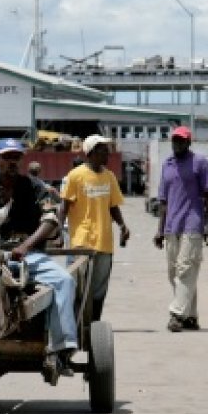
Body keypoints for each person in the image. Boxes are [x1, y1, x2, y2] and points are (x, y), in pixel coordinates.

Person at [0, 138, 78, 381]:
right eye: (6, 157)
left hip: (29, 256)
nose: (12, 162)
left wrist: (26, 246)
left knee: (64, 280)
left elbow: (51, 221)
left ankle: (61, 349)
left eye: (16, 157)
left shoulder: (36, 187)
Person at [57, 134, 130, 321]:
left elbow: (113, 206)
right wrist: (58, 230)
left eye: (107, 151)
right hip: (81, 242)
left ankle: (93, 324)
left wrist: (122, 226)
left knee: (99, 289)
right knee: (77, 286)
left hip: (104, 242)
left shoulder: (109, 176)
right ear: (90, 153)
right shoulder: (76, 176)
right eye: (103, 151)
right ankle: (72, 324)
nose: (107, 155)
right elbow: (64, 207)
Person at [153, 126, 208, 332]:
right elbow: (163, 200)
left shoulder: (200, 162)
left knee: (185, 269)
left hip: (193, 223)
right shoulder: (167, 164)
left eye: (181, 140)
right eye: (174, 140)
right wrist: (159, 229)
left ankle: (177, 314)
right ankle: (191, 316)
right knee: (174, 273)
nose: (177, 144)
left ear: (189, 142)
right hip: (172, 224)